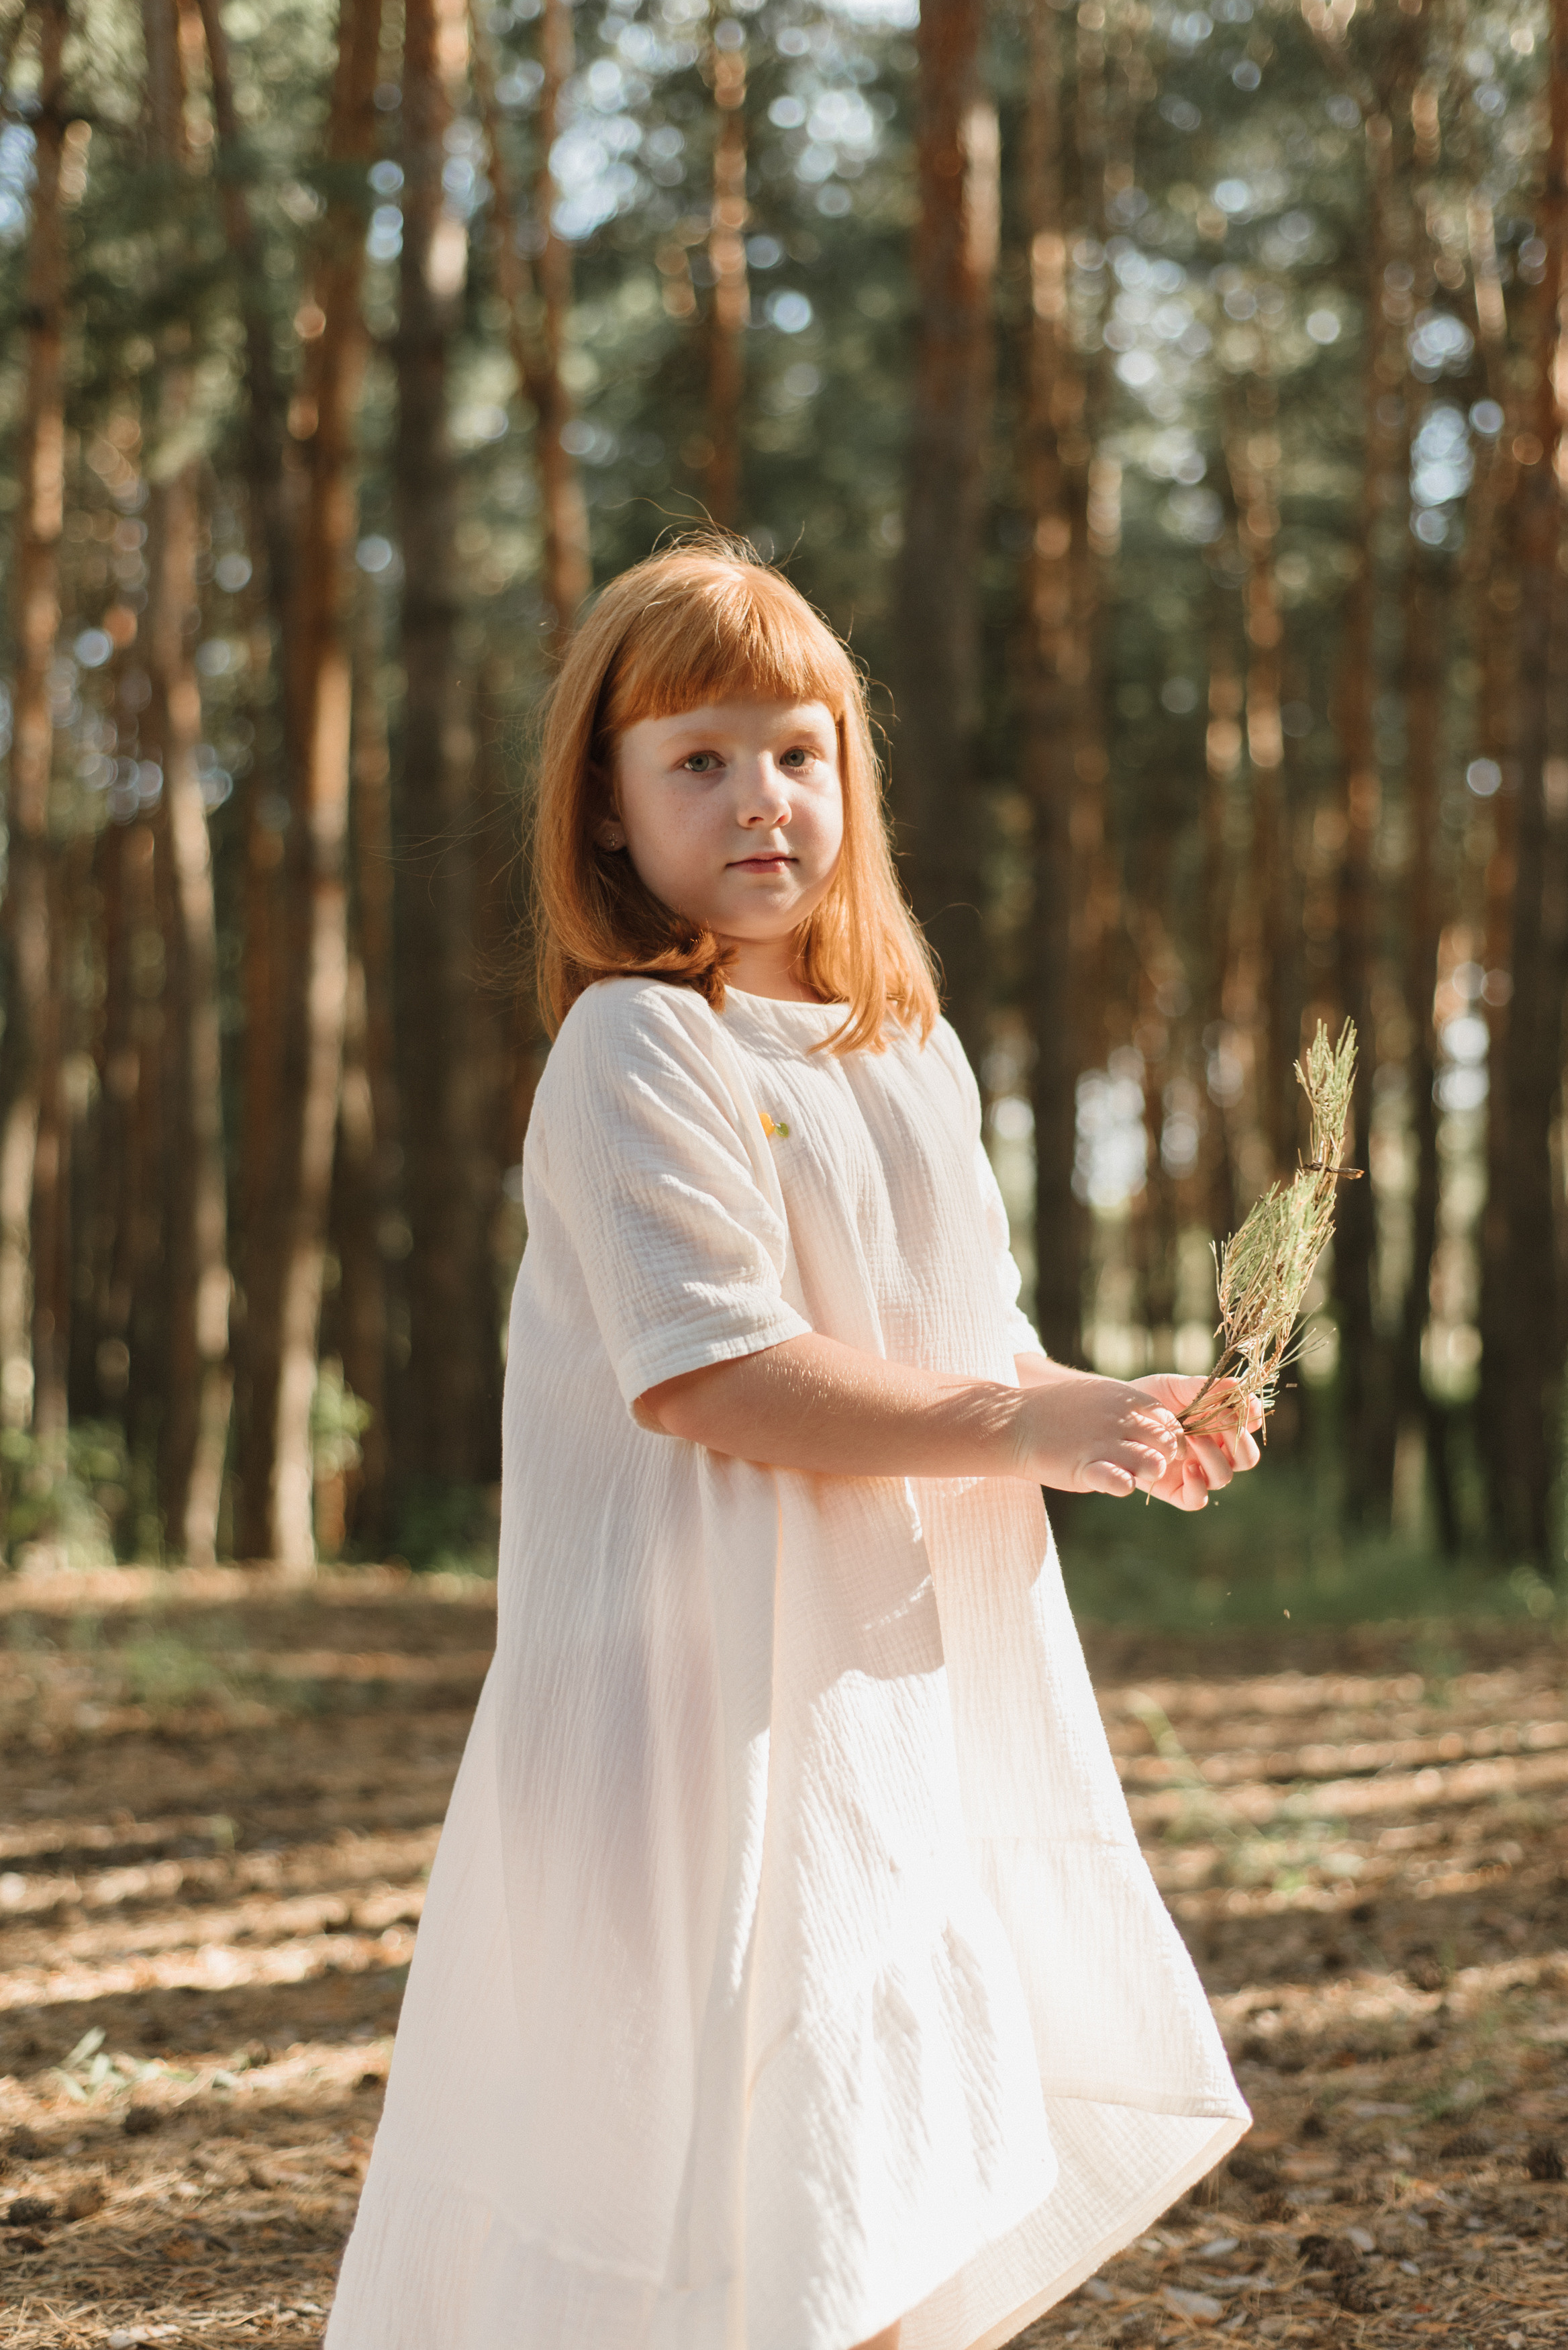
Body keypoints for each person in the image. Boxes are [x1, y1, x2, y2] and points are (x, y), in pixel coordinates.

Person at [325, 538, 1257, 2350]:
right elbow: (711, 1370)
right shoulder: (634, 1047)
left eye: (799, 750)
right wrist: (1021, 1419)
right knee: (687, 2175)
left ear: (854, 778)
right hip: (685, 1694)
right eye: (698, 759)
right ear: (606, 809)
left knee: (857, 2150)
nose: (760, 797)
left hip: (872, 1675)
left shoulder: (902, 1050)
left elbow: (963, 1345)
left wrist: (1115, 1412)